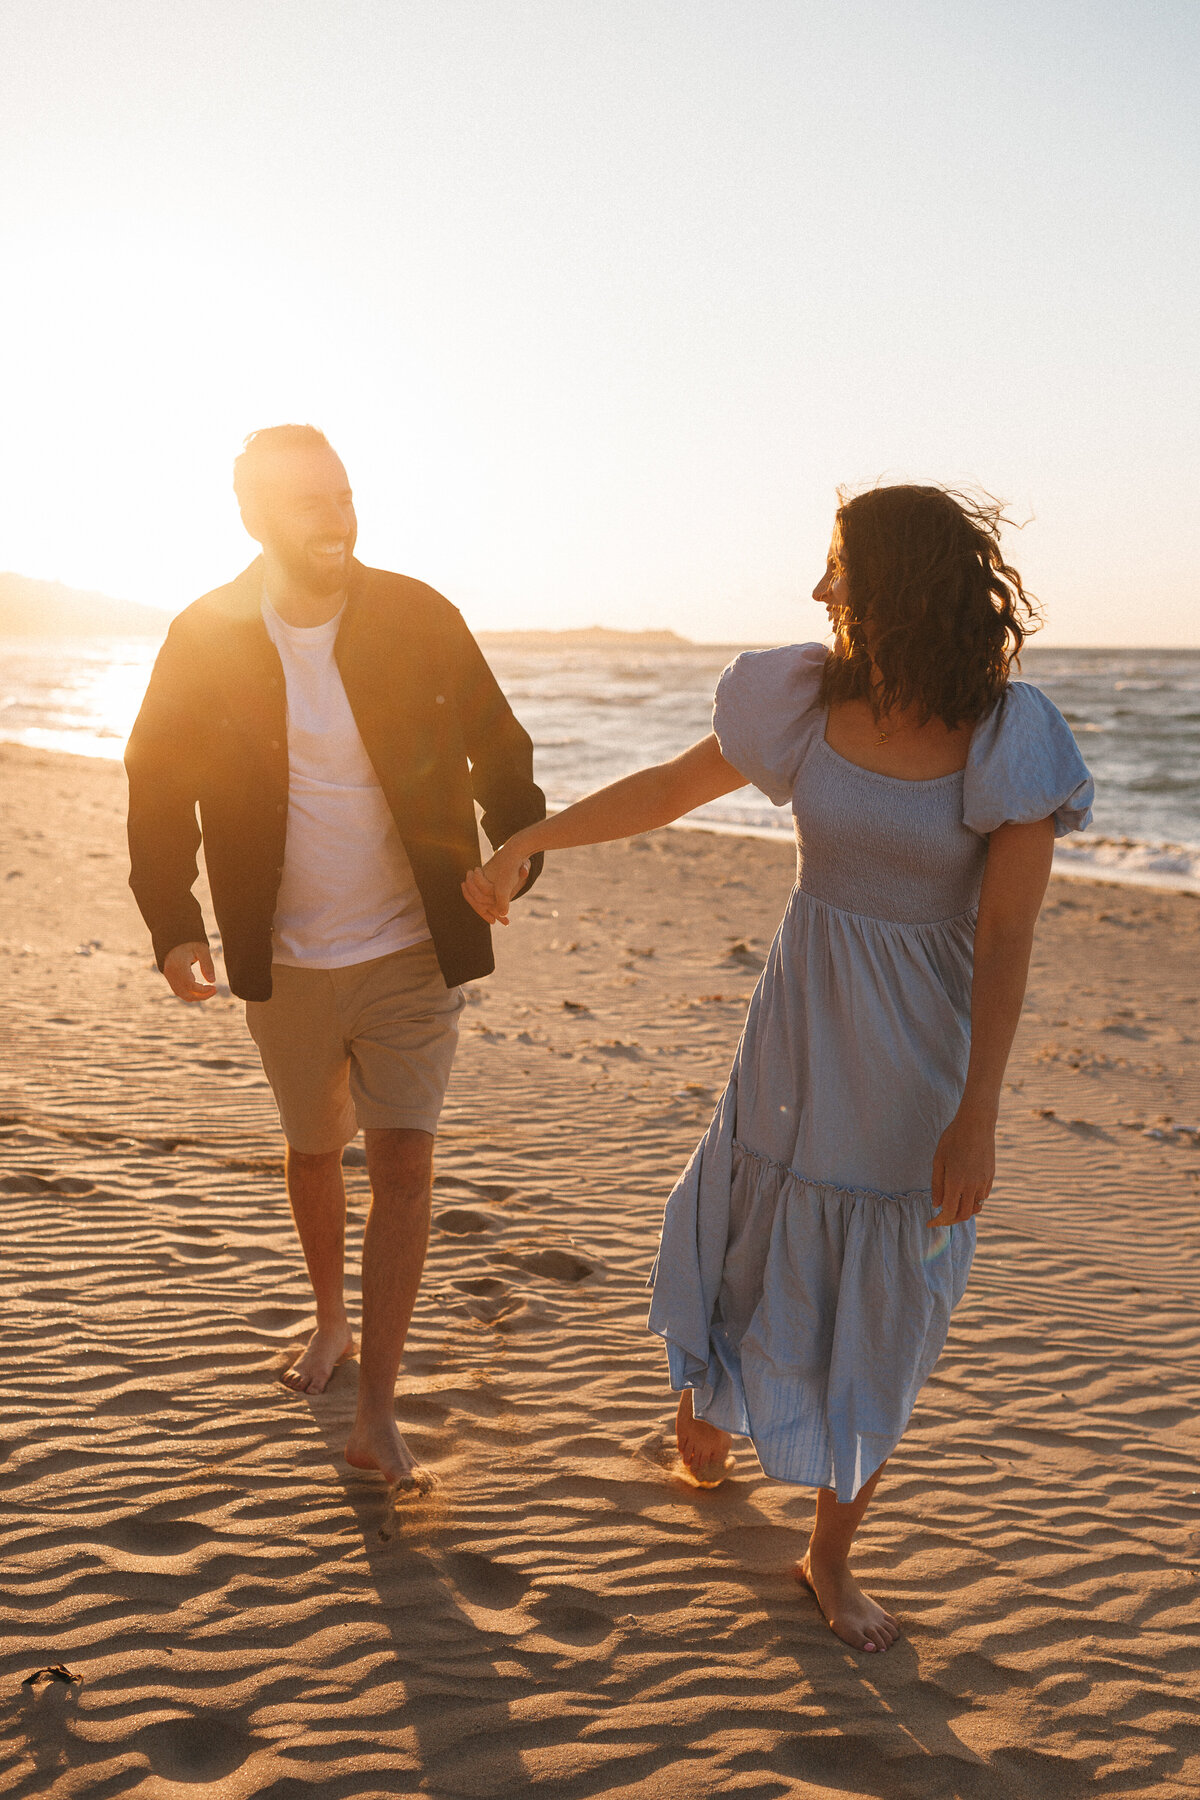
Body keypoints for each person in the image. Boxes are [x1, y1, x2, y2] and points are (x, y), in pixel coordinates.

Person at [463, 484, 1093, 1651]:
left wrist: (979, 1113)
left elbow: (1008, 937)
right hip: (797, 1028)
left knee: (885, 1305)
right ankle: (709, 1403)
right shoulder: (805, 699)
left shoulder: (1009, 738)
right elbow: (669, 787)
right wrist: (528, 843)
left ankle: (829, 1557)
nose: (818, 591)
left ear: (899, 582)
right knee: (750, 1235)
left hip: (915, 1068)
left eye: (839, 569)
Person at [125, 423, 544, 1489]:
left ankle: (377, 1412)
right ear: (255, 517)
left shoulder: (418, 614)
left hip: (414, 942)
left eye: (346, 494)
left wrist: (515, 858)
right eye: (311, 500)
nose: (338, 517)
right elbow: (157, 789)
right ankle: (329, 1317)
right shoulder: (204, 636)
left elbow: (504, 756)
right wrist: (174, 922)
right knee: (315, 1150)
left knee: (403, 1164)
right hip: (285, 954)